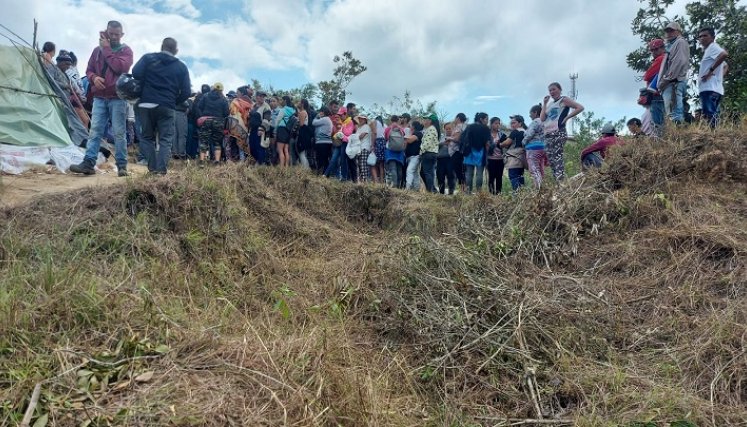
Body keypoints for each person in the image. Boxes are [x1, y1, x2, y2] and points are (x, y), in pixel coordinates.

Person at [69, 21, 134, 176]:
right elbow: (89, 69)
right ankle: (88, 163)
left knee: (119, 132)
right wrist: (93, 78)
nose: (113, 37)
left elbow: (120, 68)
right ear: (106, 32)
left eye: (117, 34)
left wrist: (106, 48)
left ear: (122, 35)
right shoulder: (96, 51)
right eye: (111, 33)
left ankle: (122, 166)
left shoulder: (126, 51)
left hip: (118, 97)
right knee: (95, 131)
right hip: (99, 97)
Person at [131, 37, 190, 175]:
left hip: (145, 103)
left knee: (146, 137)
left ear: (162, 47)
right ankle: (161, 171)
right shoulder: (181, 67)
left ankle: (152, 169)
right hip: (167, 106)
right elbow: (186, 91)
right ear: (176, 50)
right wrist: (173, 101)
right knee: (165, 139)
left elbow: (135, 73)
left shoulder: (148, 58)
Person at [540, 82, 584, 181]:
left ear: (560, 90)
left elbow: (580, 107)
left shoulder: (563, 100)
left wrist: (567, 117)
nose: (552, 92)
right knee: (551, 160)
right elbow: (542, 118)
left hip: (558, 132)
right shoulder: (550, 104)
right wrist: (545, 103)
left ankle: (561, 183)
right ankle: (558, 182)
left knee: (557, 157)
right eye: (550, 90)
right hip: (548, 134)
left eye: (554, 89)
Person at [658, 22, 690, 125]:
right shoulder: (671, 44)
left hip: (673, 82)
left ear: (679, 31)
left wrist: (666, 79)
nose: (669, 33)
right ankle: (676, 133)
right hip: (671, 82)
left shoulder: (680, 42)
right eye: (667, 31)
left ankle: (678, 135)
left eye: (671, 30)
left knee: (675, 113)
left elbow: (679, 62)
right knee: (671, 112)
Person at [697, 27, 728, 128]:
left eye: (705, 35)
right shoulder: (709, 50)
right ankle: (715, 134)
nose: (702, 38)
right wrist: (718, 77)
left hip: (709, 89)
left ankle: (713, 136)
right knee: (712, 114)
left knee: (709, 115)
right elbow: (725, 66)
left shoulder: (712, 47)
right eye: (700, 36)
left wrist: (710, 71)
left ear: (712, 37)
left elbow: (724, 54)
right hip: (715, 88)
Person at [196, 82, 229, 165]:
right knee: (217, 142)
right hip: (218, 121)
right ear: (221, 90)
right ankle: (217, 161)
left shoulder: (205, 96)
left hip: (206, 120)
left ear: (213, 88)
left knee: (204, 141)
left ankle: (202, 161)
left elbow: (199, 107)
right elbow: (226, 113)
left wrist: (202, 116)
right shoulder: (223, 99)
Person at [643, 38, 666, 136]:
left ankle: (660, 141)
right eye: (652, 50)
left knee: (657, 121)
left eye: (656, 49)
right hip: (660, 94)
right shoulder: (662, 58)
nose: (653, 52)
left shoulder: (661, 58)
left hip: (657, 95)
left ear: (662, 48)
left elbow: (647, 76)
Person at [463, 112, 491, 193]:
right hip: (481, 152)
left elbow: (463, 139)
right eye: (486, 119)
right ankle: (479, 193)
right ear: (481, 119)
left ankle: (468, 192)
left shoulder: (469, 127)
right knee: (479, 174)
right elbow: (487, 143)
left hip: (469, 152)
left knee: (469, 173)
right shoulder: (485, 128)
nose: (487, 121)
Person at [523, 104, 546, 189]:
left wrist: (523, 142)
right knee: (540, 168)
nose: (529, 115)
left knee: (534, 169)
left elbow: (530, 134)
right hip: (543, 147)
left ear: (535, 112)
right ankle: (543, 187)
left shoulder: (536, 121)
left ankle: (538, 190)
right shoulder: (544, 122)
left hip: (533, 148)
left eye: (531, 113)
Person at [501, 115, 527, 191]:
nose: (512, 125)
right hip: (522, 157)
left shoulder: (515, 131)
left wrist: (499, 144)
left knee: (513, 176)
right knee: (520, 175)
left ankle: (517, 193)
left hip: (514, 157)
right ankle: (523, 194)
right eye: (511, 123)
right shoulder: (525, 131)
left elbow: (506, 143)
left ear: (520, 123)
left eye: (514, 123)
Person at [419, 113, 440, 192]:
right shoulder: (433, 128)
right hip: (431, 153)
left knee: (427, 173)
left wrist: (421, 151)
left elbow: (427, 143)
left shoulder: (431, 129)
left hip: (428, 153)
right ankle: (432, 189)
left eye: (426, 119)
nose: (424, 121)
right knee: (426, 172)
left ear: (430, 121)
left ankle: (430, 190)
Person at [384, 115, 406, 188]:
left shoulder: (388, 129)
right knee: (399, 169)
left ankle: (394, 186)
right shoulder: (401, 129)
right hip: (400, 152)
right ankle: (399, 186)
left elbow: (386, 138)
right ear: (398, 120)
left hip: (390, 151)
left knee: (393, 168)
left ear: (391, 120)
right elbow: (404, 138)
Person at [273, 95, 295, 167]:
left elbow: (278, 120)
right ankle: (286, 167)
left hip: (281, 129)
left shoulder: (283, 110)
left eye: (282, 100)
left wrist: (275, 130)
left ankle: (281, 167)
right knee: (286, 150)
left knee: (280, 150)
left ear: (285, 101)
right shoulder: (293, 110)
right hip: (288, 131)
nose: (281, 102)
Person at [486, 117, 506, 195]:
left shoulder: (501, 134)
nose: (497, 125)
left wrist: (501, 143)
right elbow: (485, 146)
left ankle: (498, 194)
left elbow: (505, 145)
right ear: (491, 124)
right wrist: (493, 144)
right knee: (491, 177)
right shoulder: (487, 134)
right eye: (495, 123)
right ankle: (491, 195)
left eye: (498, 123)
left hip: (500, 159)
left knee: (499, 177)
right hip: (490, 159)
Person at [449, 113, 468, 192]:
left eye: (455, 118)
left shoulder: (459, 126)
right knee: (462, 171)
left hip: (457, 152)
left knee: (459, 171)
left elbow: (457, 139)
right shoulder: (465, 126)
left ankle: (463, 190)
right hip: (462, 152)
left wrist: (449, 138)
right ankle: (464, 190)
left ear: (458, 118)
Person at [312, 106, 333, 175]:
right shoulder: (326, 119)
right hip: (325, 142)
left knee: (321, 159)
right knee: (324, 159)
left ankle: (323, 174)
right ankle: (325, 174)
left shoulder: (325, 119)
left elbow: (314, 123)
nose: (319, 113)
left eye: (320, 111)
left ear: (323, 112)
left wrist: (317, 116)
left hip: (323, 142)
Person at [404, 121, 424, 190]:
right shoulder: (413, 133)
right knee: (415, 173)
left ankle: (408, 188)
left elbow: (410, 140)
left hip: (415, 156)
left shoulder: (418, 133)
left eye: (410, 125)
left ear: (413, 126)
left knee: (409, 170)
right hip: (411, 156)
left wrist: (403, 136)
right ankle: (416, 189)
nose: (409, 126)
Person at [436, 122, 455, 195]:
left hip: (451, 159)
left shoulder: (455, 137)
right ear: (444, 129)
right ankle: (441, 193)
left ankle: (451, 193)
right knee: (440, 176)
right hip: (440, 159)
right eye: (446, 129)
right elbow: (435, 146)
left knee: (451, 176)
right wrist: (443, 143)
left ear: (453, 129)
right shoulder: (440, 137)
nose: (448, 130)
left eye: (450, 128)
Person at [354, 115, 372, 183]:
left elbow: (362, 136)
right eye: (359, 119)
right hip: (359, 148)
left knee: (363, 164)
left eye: (362, 119)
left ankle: (365, 181)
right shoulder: (359, 128)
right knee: (359, 165)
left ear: (365, 120)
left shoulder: (366, 126)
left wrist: (354, 138)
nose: (360, 120)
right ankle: (361, 181)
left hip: (365, 147)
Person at [296, 99, 313, 169]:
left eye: (299, 101)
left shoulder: (302, 112)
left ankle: (306, 169)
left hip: (302, 135)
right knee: (302, 153)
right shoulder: (304, 112)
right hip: (305, 135)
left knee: (301, 153)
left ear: (302, 104)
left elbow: (301, 124)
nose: (298, 103)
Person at [371, 116, 386, 183]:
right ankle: (382, 181)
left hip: (378, 142)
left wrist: (372, 144)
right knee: (381, 164)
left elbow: (374, 133)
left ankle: (376, 181)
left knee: (374, 162)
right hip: (384, 143)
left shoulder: (375, 122)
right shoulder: (385, 125)